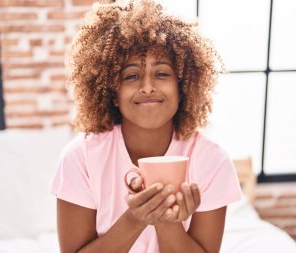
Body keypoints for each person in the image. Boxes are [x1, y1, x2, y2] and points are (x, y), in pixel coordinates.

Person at [51, 0, 241, 252]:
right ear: (113, 94)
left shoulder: (211, 159)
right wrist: (135, 218)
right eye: (131, 76)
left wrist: (167, 222)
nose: (148, 86)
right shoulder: (81, 157)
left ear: (182, 87)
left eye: (162, 73)